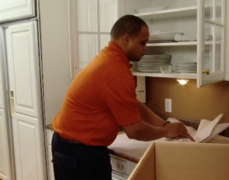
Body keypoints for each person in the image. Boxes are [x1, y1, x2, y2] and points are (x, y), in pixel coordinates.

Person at [51, 14, 194, 180]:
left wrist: (164, 124)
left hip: (70, 148)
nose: (146, 47)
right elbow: (135, 131)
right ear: (126, 39)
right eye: (143, 42)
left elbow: (133, 104)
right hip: (80, 155)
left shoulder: (109, 60)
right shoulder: (116, 72)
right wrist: (165, 131)